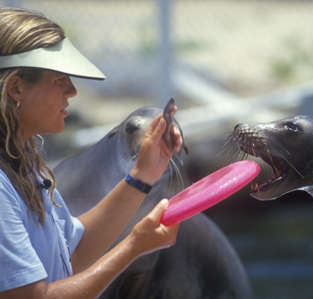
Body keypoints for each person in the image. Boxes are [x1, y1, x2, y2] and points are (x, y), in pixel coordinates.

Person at [0, 7, 182, 298]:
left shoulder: (24, 165)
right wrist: (134, 245)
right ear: (16, 88)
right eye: (59, 79)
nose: (72, 91)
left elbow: (74, 252)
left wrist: (142, 176)